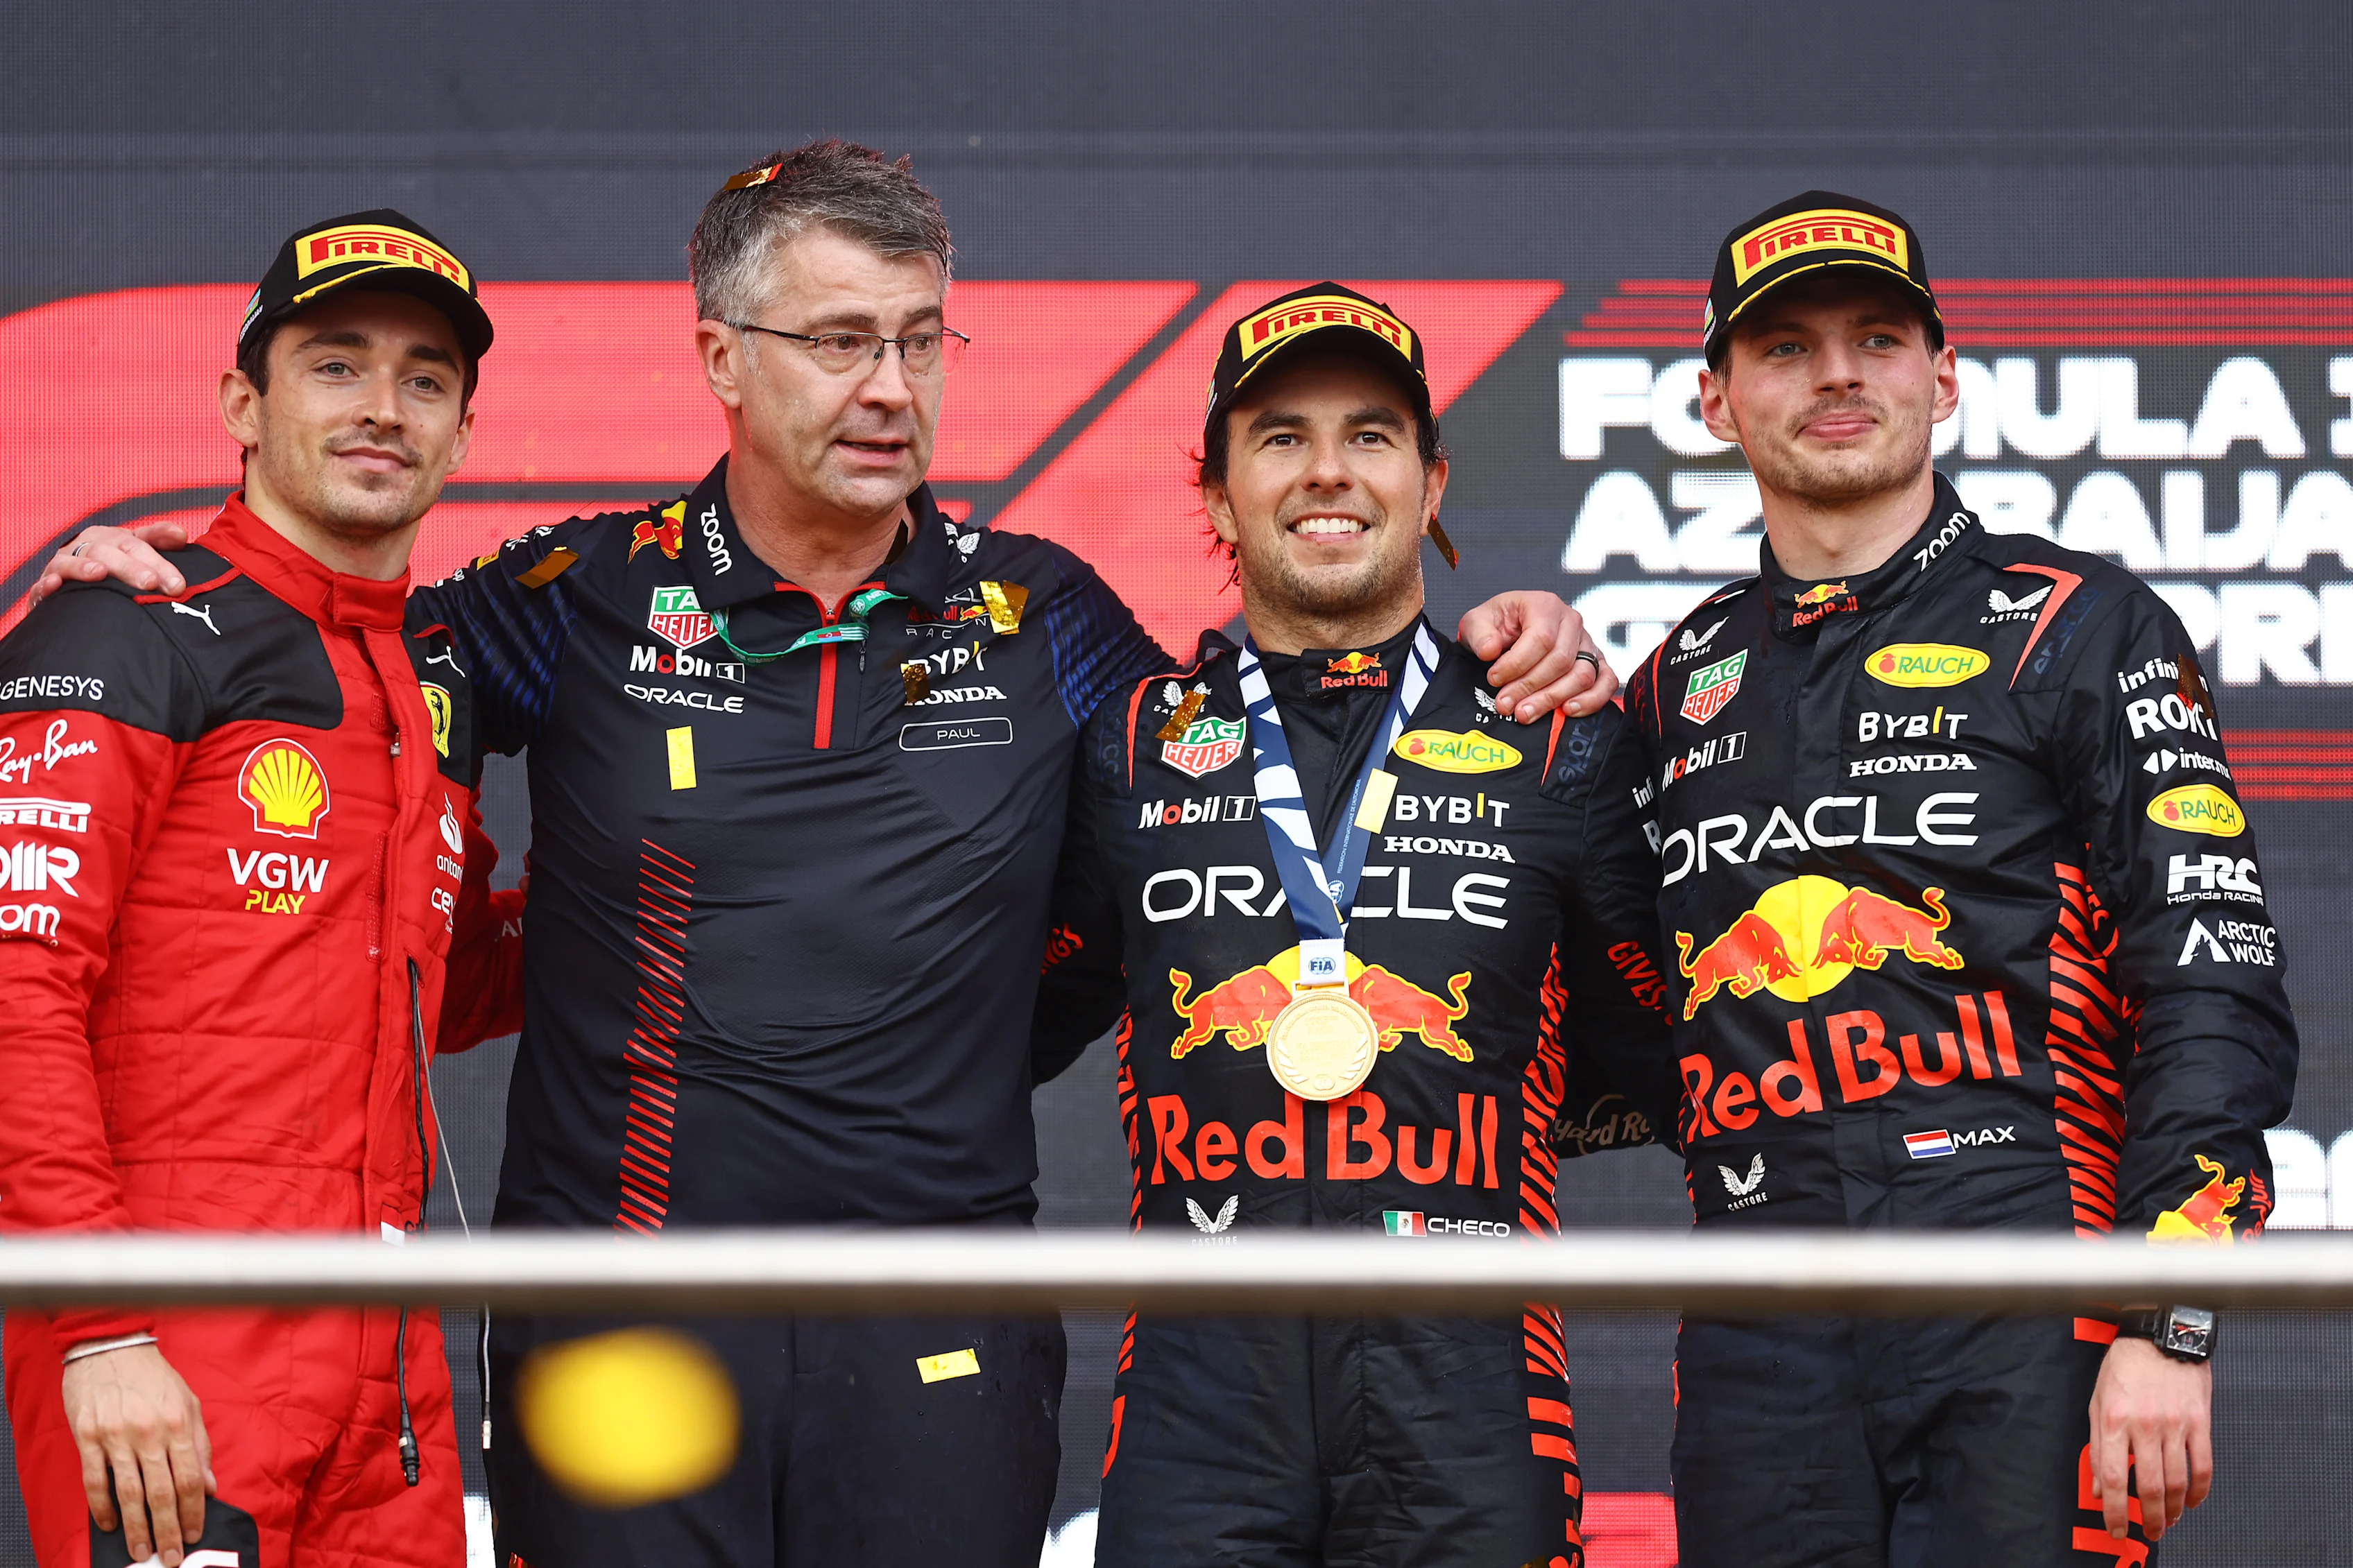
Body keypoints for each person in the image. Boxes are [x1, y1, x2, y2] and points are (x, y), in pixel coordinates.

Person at [31, 143, 1615, 1567]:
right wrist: (182, 584)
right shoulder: (574, 593)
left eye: (921, 340)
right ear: (719, 357)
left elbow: (1251, 774)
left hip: (936, 1342)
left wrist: (1495, 640)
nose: (889, 386)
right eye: (840, 340)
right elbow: (341, 698)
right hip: (625, 1337)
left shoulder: (1042, 611)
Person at [1623, 191, 2300, 1567]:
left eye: (1877, 337)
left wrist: (2167, 1318)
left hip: (2024, 1301)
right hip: (1758, 1331)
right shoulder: (1670, 686)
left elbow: (2210, 977)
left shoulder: (2077, 624)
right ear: (1712, 398)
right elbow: (1611, 1013)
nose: (1835, 374)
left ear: (1942, 378)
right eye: (1786, 346)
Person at [1030, 284, 1679, 1568]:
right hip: (1198, 1388)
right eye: (1280, 436)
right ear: (1216, 496)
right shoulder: (1130, 748)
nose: (1328, 470)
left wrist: (1466, 1128)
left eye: (1370, 434)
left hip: (1474, 1379)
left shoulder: (1559, 739)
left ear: (1431, 486)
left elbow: (1668, 1062)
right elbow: (1009, 1025)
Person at [0, 211, 521, 1568]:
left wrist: (703, 912)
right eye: (335, 364)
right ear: (244, 399)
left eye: (425, 379)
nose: (383, 408)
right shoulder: (120, 617)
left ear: (465, 431)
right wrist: (100, 1325)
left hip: (390, 1402)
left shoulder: (439, 677)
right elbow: (13, 986)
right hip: (166, 1353)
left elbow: (438, 990)